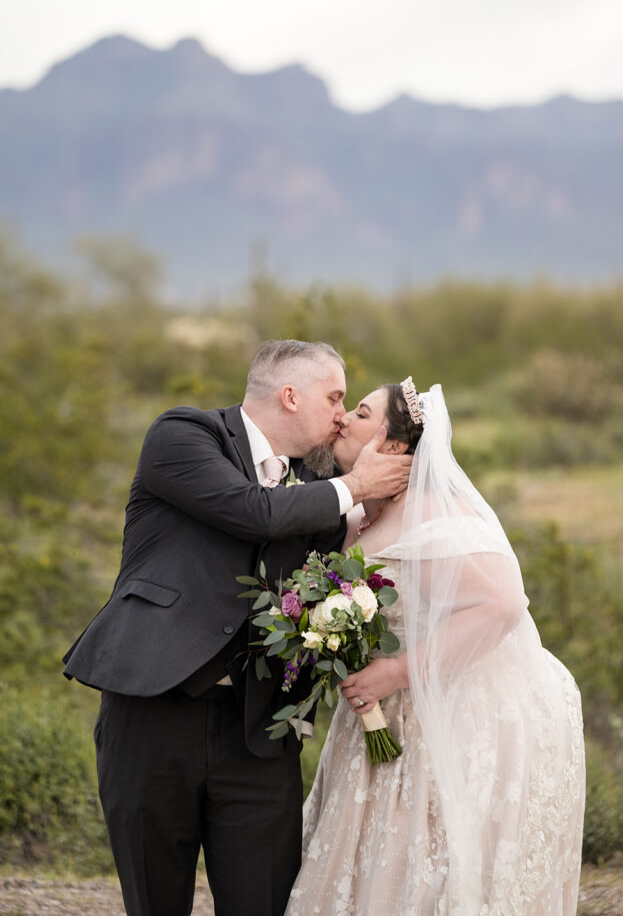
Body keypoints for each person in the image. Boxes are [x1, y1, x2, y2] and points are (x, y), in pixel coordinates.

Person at [62, 340, 412, 916]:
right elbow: (253, 512)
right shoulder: (183, 436)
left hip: (260, 732)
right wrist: (356, 487)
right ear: (291, 396)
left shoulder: (317, 485)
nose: (341, 415)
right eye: (334, 397)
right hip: (153, 711)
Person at [286, 379, 585, 916]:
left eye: (359, 413)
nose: (343, 421)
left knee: (419, 871)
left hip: (433, 717)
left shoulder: (431, 511)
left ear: (395, 446)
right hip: (378, 717)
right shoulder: (359, 515)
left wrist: (396, 671)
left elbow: (501, 602)